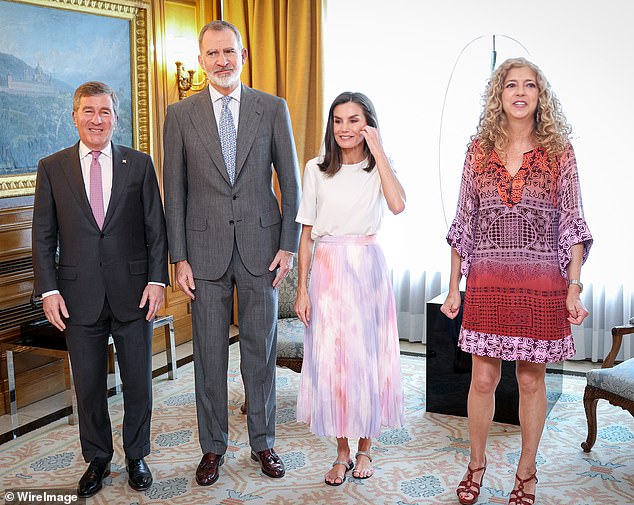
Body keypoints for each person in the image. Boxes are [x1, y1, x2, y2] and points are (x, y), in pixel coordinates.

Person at [441, 57, 593, 505]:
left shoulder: (560, 150)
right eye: (511, 85)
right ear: (499, 95)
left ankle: (527, 472)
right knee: (482, 380)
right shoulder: (477, 149)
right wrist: (454, 286)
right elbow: (463, 221)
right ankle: (477, 464)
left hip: (542, 286)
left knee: (530, 381)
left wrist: (573, 287)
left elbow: (572, 223)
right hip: (486, 283)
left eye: (530, 85)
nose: (520, 92)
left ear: (540, 96)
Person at [162, 20, 300, 486]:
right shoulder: (180, 115)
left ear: (243, 56)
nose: (222, 61)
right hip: (203, 253)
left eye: (230, 52)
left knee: (259, 353)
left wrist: (288, 245)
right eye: (213, 53)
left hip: (263, 249)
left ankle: (263, 443)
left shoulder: (271, 108)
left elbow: (291, 182)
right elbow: (174, 192)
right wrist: (178, 256)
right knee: (209, 356)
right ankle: (212, 448)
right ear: (201, 60)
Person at [31, 81, 169, 498]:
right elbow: (43, 236)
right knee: (89, 385)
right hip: (77, 297)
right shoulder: (52, 167)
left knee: (139, 383)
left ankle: (136, 455)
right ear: (74, 116)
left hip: (134, 294)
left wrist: (157, 280)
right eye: (88, 111)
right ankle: (98, 459)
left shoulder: (139, 164)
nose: (97, 119)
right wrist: (48, 291)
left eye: (105, 111)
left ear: (116, 116)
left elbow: (155, 229)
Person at [294, 92, 406, 486]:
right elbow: (306, 235)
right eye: (338, 120)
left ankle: (365, 448)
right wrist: (303, 290)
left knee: (366, 359)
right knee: (334, 362)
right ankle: (342, 451)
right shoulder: (315, 169)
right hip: (327, 269)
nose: (345, 128)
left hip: (367, 269)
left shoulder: (379, 170)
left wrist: (380, 150)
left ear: (367, 124)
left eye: (354, 120)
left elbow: (397, 205)